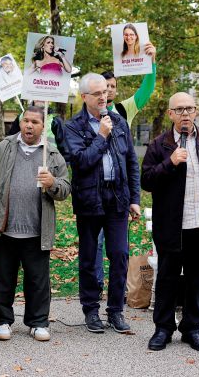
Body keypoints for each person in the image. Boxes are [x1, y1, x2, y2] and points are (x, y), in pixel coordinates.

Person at [141, 92, 199, 352]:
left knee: (196, 280)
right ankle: (163, 328)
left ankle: (192, 328)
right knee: (168, 279)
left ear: (196, 112)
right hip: (172, 227)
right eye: (179, 109)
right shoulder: (159, 145)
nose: (185, 114)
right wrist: (169, 163)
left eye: (189, 109)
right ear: (170, 114)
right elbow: (146, 181)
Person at [0, 105, 70, 342]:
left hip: (37, 230)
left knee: (38, 280)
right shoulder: (4, 148)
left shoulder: (51, 154)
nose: (29, 125)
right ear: (20, 122)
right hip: (5, 227)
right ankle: (2, 320)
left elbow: (65, 189)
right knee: (3, 277)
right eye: (25, 121)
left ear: (42, 126)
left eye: (35, 122)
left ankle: (38, 322)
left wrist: (52, 183)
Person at [64, 73, 141, 334]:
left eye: (105, 92)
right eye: (97, 93)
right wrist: (101, 136)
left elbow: (131, 161)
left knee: (120, 255)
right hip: (89, 200)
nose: (103, 96)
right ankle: (91, 310)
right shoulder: (73, 126)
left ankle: (116, 311)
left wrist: (135, 199)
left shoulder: (118, 121)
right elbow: (81, 162)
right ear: (84, 97)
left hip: (117, 198)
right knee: (88, 258)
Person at [95, 43, 157, 289]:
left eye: (112, 87)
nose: (108, 90)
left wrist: (151, 63)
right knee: (96, 242)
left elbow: (147, 89)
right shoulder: (88, 113)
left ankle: (117, 289)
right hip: (95, 187)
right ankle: (97, 283)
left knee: (118, 247)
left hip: (118, 188)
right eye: (104, 86)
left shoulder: (124, 109)